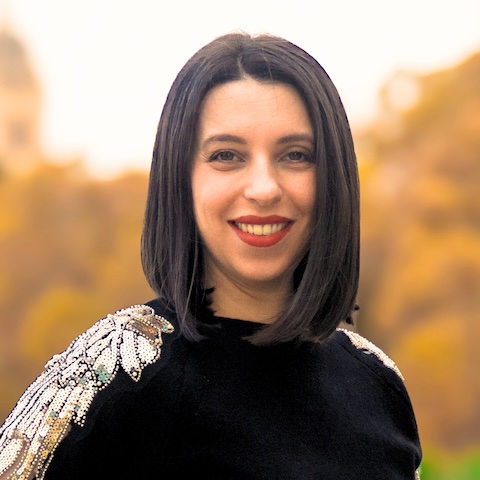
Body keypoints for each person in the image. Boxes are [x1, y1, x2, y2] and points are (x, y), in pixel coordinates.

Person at [0, 32, 422, 479]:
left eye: (296, 155)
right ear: (180, 179)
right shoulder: (118, 370)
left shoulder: (376, 385)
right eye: (227, 156)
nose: (263, 188)